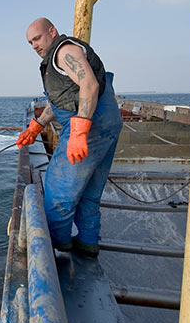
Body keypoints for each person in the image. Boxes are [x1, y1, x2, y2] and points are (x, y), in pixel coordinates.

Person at [16, 17, 123, 257]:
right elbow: (65, 98)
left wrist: (79, 132)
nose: (34, 45)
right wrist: (36, 126)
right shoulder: (59, 59)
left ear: (52, 32)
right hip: (108, 125)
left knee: (57, 194)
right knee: (89, 192)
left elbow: (90, 86)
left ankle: (56, 248)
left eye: (37, 38)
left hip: (90, 129)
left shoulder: (64, 52)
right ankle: (87, 243)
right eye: (30, 42)